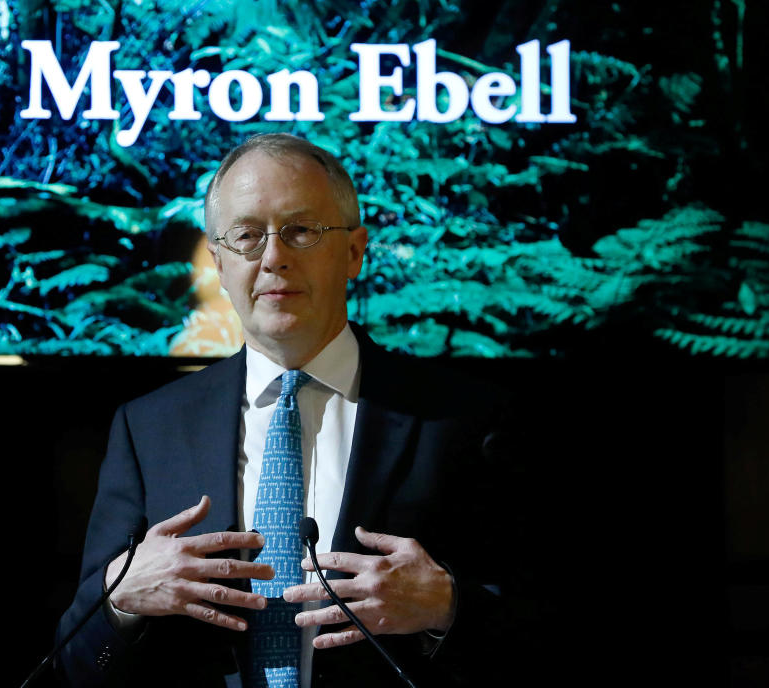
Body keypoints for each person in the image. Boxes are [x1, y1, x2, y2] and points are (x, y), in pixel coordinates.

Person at [56, 134, 507, 687]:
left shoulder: (462, 418)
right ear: (218, 262)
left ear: (354, 253)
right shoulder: (149, 427)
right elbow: (75, 664)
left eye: (301, 230)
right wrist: (122, 601)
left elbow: (547, 629)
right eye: (247, 236)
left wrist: (446, 607)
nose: (273, 258)